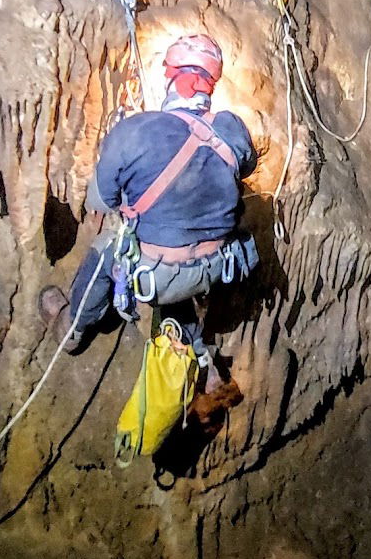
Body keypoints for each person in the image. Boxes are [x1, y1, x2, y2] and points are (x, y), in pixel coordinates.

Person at [39, 33, 258, 388]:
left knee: (110, 246)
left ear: (170, 76)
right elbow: (243, 167)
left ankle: (73, 330)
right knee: (173, 247)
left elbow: (100, 201)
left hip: (156, 278)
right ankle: (200, 358)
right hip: (216, 270)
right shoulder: (232, 128)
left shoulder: (135, 130)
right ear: (211, 84)